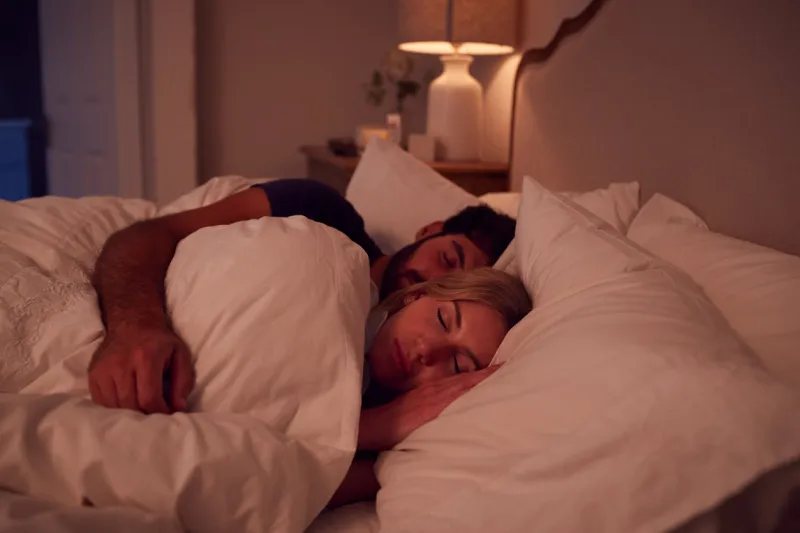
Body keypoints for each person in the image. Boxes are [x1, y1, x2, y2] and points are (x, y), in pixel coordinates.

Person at [88, 178, 516, 414]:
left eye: (455, 283)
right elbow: (149, 234)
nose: (433, 280)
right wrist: (136, 326)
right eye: (447, 256)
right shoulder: (324, 213)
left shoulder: (403, 374)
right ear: (429, 231)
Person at [328, 267, 532, 507]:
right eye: (442, 320)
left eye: (458, 364)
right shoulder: (342, 290)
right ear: (418, 295)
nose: (426, 350)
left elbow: (292, 484)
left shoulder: (388, 458)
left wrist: (379, 425)